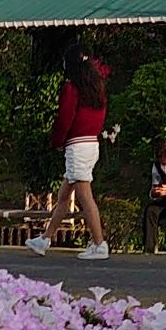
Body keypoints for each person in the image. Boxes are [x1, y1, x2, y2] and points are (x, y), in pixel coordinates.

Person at [50, 48, 111, 259]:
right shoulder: (97, 89)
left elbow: (65, 118)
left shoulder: (72, 88)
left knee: (85, 197)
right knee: (64, 194)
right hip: (91, 143)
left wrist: (57, 141)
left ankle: (99, 243)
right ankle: (44, 239)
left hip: (77, 145)